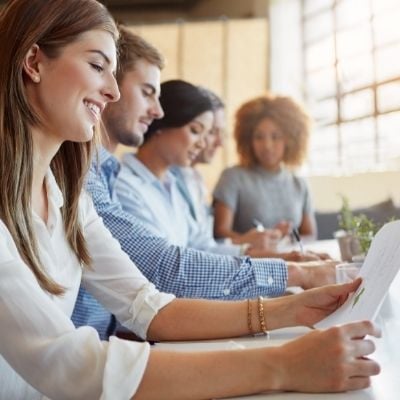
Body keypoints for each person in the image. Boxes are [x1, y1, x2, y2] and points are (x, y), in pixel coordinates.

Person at [0, 0, 381, 398]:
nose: (112, 91)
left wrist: (292, 309)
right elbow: (68, 364)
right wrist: (283, 365)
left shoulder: (69, 198)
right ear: (33, 62)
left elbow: (148, 305)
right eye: (98, 67)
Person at [72, 25, 336, 340]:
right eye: (147, 93)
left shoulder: (110, 176)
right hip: (113, 345)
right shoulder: (98, 181)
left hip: (118, 341)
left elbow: (190, 252)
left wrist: (287, 268)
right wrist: (293, 277)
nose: (156, 111)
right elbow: (164, 270)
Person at [213, 94, 318, 250]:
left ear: (290, 140)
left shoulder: (299, 184)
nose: (267, 145)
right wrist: (253, 240)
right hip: (248, 263)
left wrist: (285, 241)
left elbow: (310, 235)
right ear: (248, 140)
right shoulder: (233, 177)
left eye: (276, 137)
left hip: (292, 260)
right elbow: (219, 234)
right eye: (259, 137)